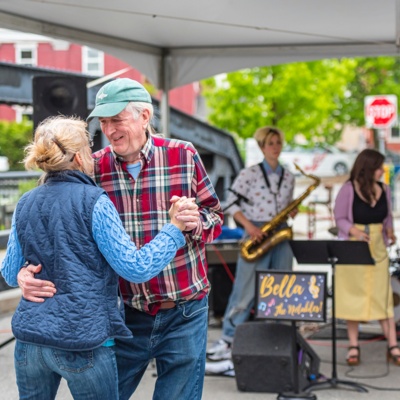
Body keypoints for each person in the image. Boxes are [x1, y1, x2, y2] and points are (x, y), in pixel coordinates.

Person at [17, 78, 223, 400]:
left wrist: (194, 222)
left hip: (185, 310)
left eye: (117, 119)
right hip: (126, 315)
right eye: (104, 121)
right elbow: (58, 226)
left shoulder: (183, 155)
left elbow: (215, 217)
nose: (110, 130)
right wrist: (24, 272)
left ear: (144, 116)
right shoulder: (92, 167)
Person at [206, 126, 296, 365]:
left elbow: (285, 205)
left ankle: (277, 337)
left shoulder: (289, 176)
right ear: (262, 147)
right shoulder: (250, 174)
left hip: (280, 233)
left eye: (278, 142)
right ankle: (228, 338)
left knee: (282, 288)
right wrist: (250, 227)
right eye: (270, 143)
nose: (275, 147)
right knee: (245, 290)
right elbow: (231, 204)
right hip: (256, 232)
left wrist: (291, 211)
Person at [334, 148, 400, 366]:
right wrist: (353, 230)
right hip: (354, 248)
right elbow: (340, 217)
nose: (382, 170)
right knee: (353, 296)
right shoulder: (348, 189)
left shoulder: (384, 189)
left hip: (378, 247)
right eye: (379, 167)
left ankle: (393, 345)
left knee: (382, 296)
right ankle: (353, 345)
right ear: (368, 168)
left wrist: (390, 232)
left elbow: (387, 217)